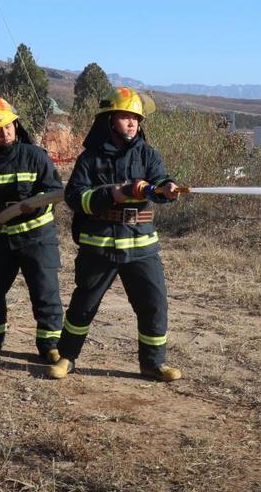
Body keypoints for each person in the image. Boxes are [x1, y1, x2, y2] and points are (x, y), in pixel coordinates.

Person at [48, 87, 182, 382]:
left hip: (142, 246)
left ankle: (153, 365)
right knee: (84, 306)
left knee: (153, 304)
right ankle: (67, 357)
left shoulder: (148, 154)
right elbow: (75, 197)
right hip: (100, 246)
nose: (132, 123)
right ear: (110, 121)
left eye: (135, 118)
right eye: (125, 117)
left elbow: (159, 182)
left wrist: (168, 188)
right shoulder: (90, 159)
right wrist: (113, 194)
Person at [0, 97, 64, 363]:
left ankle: (50, 345)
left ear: (16, 126)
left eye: (8, 126)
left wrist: (37, 206)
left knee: (45, 291)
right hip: (1, 234)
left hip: (38, 235)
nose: (3, 132)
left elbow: (54, 191)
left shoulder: (35, 156)